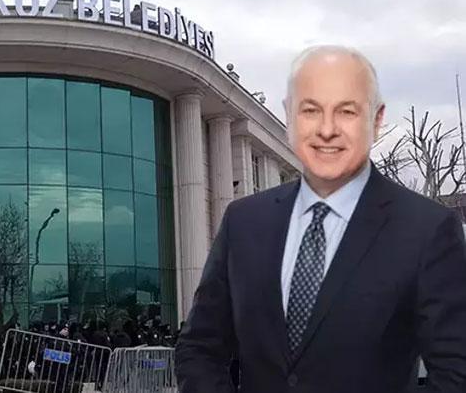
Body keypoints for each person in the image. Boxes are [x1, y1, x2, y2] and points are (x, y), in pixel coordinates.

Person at [175, 45, 466, 393]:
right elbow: (199, 347)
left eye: (346, 111)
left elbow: (456, 370)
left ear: (376, 120)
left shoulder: (427, 229)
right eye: (311, 110)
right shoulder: (243, 222)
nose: (327, 130)